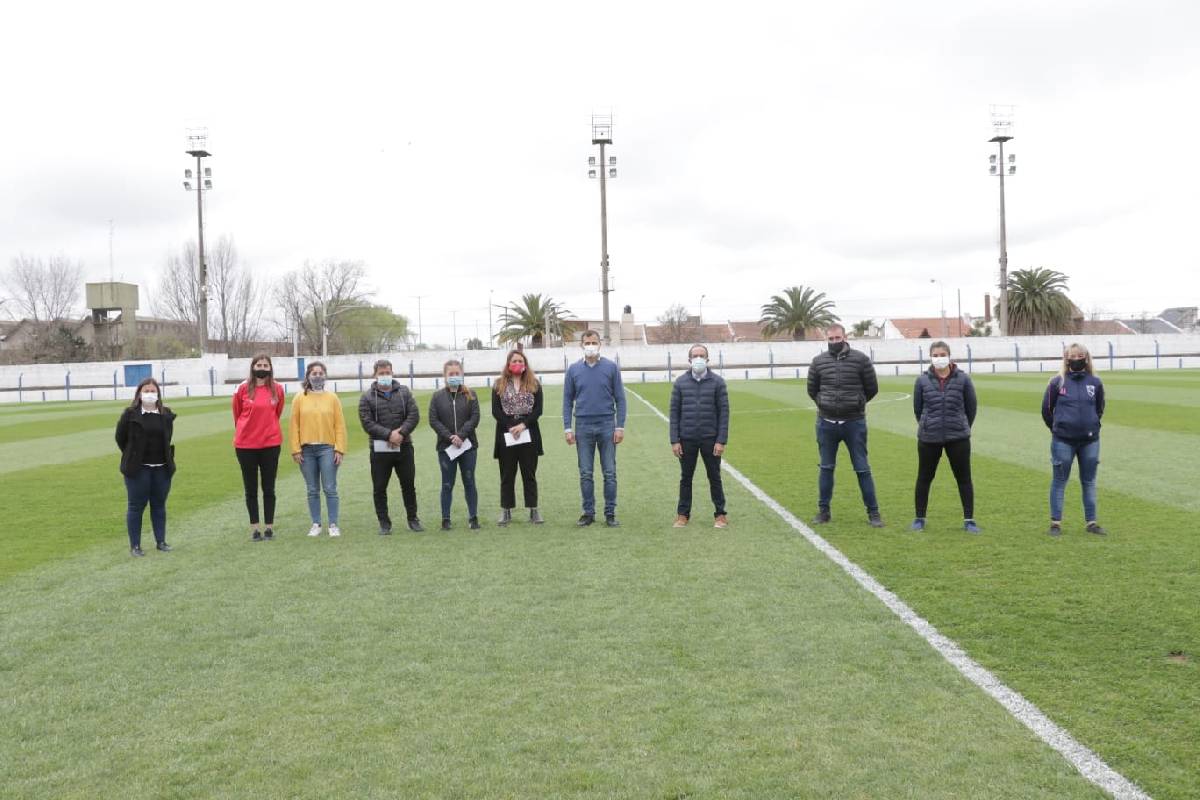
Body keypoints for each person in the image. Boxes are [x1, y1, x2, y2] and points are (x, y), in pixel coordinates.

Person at [806, 322, 883, 527]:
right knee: (826, 468)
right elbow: (812, 390)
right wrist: (826, 405)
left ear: (844, 337)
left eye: (837, 339)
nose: (834, 342)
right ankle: (823, 512)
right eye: (830, 339)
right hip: (826, 423)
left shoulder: (861, 360)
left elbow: (872, 388)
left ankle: (874, 514)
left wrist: (856, 403)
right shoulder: (818, 362)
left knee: (862, 468)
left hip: (854, 423)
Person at [910, 341, 979, 534]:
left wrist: (961, 426)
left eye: (942, 354)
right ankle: (919, 518)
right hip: (928, 438)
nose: (939, 358)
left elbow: (971, 407)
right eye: (935, 355)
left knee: (964, 478)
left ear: (949, 356)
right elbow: (918, 409)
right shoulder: (922, 381)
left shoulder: (963, 379)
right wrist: (927, 425)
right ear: (930, 357)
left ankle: (969, 520)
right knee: (924, 478)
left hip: (958, 437)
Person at [563, 329, 627, 527]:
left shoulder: (611, 368)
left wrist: (620, 427)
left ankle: (610, 513)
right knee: (585, 473)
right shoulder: (573, 370)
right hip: (582, 425)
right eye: (587, 342)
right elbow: (567, 400)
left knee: (609, 472)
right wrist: (568, 428)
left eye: (594, 342)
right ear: (581, 345)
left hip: (607, 425)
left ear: (600, 344)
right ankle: (588, 512)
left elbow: (620, 399)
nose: (590, 345)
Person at [1041, 343, 1107, 537]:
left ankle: (1091, 522)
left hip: (1090, 441)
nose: (1076, 358)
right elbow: (1046, 410)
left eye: (1080, 355)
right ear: (1066, 358)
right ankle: (1055, 523)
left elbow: (1099, 408)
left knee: (1089, 481)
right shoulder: (1057, 382)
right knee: (1059, 481)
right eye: (1073, 355)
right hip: (1063, 441)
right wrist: (1058, 428)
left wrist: (1090, 425)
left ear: (1086, 358)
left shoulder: (1095, 382)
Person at [669, 344, 730, 529]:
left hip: (710, 438)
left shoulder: (718, 382)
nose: (698, 358)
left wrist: (721, 440)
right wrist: (674, 440)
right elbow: (674, 413)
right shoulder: (680, 383)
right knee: (686, 478)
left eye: (701, 355)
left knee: (714, 477)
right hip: (686, 438)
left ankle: (720, 514)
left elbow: (724, 413)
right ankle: (682, 515)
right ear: (689, 360)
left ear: (707, 359)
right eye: (695, 355)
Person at [358, 359, 423, 534]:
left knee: (408, 485)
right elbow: (367, 423)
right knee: (379, 487)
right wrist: (389, 435)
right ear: (375, 375)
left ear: (392, 373)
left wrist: (401, 434)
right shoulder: (366, 397)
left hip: (404, 446)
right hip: (379, 449)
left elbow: (414, 415)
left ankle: (413, 519)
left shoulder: (404, 392)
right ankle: (384, 524)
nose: (385, 376)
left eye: (387, 372)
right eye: (381, 373)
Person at [115, 378, 176, 557]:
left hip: (161, 469)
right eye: (146, 390)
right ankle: (135, 546)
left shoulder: (166, 414)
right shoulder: (130, 414)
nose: (150, 393)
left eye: (153, 390)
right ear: (140, 394)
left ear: (158, 393)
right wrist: (132, 455)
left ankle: (161, 541)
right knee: (136, 506)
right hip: (138, 469)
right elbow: (120, 438)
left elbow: (167, 438)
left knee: (159, 505)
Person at [290, 362, 347, 537]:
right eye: (314, 373)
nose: (317, 376)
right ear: (308, 376)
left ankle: (333, 524)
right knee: (312, 489)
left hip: (327, 449)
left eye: (320, 373)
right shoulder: (299, 398)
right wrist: (295, 449)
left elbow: (339, 425)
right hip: (306, 450)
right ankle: (316, 523)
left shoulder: (332, 398)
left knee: (330, 488)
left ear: (325, 376)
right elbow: (294, 425)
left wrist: (340, 449)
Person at [232, 354, 285, 542]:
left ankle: (269, 527)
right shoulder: (242, 389)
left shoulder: (277, 389)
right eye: (258, 364)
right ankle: (255, 528)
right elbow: (237, 414)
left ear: (270, 368)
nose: (262, 367)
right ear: (253, 367)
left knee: (269, 488)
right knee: (251, 488)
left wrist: (267, 430)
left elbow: (277, 413)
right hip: (246, 446)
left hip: (270, 445)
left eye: (265, 365)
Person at [492, 349, 545, 525]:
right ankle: (506, 511)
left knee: (529, 473)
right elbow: (496, 411)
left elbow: (538, 410)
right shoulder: (499, 384)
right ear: (508, 364)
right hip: (506, 433)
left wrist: (523, 425)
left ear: (525, 364)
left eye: (520, 361)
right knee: (507, 474)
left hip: (528, 433)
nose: (517, 364)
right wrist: (511, 426)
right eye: (514, 361)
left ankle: (533, 510)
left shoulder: (534, 384)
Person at [428, 359, 480, 530]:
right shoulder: (437, 397)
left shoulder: (470, 394)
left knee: (469, 481)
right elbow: (433, 420)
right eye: (451, 374)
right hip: (446, 448)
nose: (454, 376)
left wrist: (462, 435)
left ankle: (473, 517)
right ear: (445, 376)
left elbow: (475, 417)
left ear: (462, 374)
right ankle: (445, 519)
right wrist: (450, 437)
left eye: (457, 373)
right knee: (447, 484)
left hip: (468, 447)